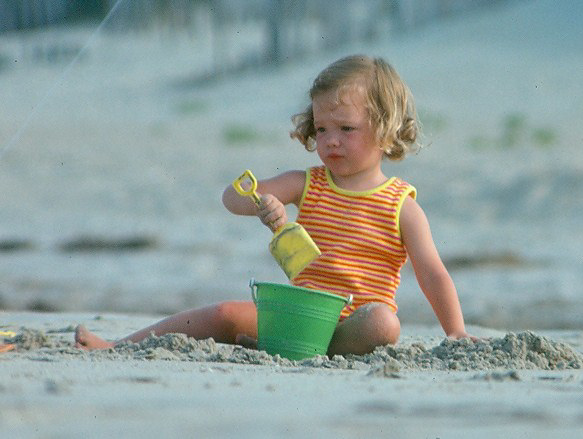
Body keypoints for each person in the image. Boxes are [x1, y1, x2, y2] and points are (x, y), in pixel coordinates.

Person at [75, 55, 474, 356]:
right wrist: (263, 204)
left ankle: (297, 350)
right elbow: (231, 198)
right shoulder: (307, 183)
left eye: (346, 129)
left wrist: (455, 332)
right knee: (224, 314)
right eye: (321, 129)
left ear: (386, 129)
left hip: (354, 325)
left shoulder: (401, 206)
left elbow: (433, 275)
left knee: (385, 324)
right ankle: (118, 345)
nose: (330, 140)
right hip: (299, 316)